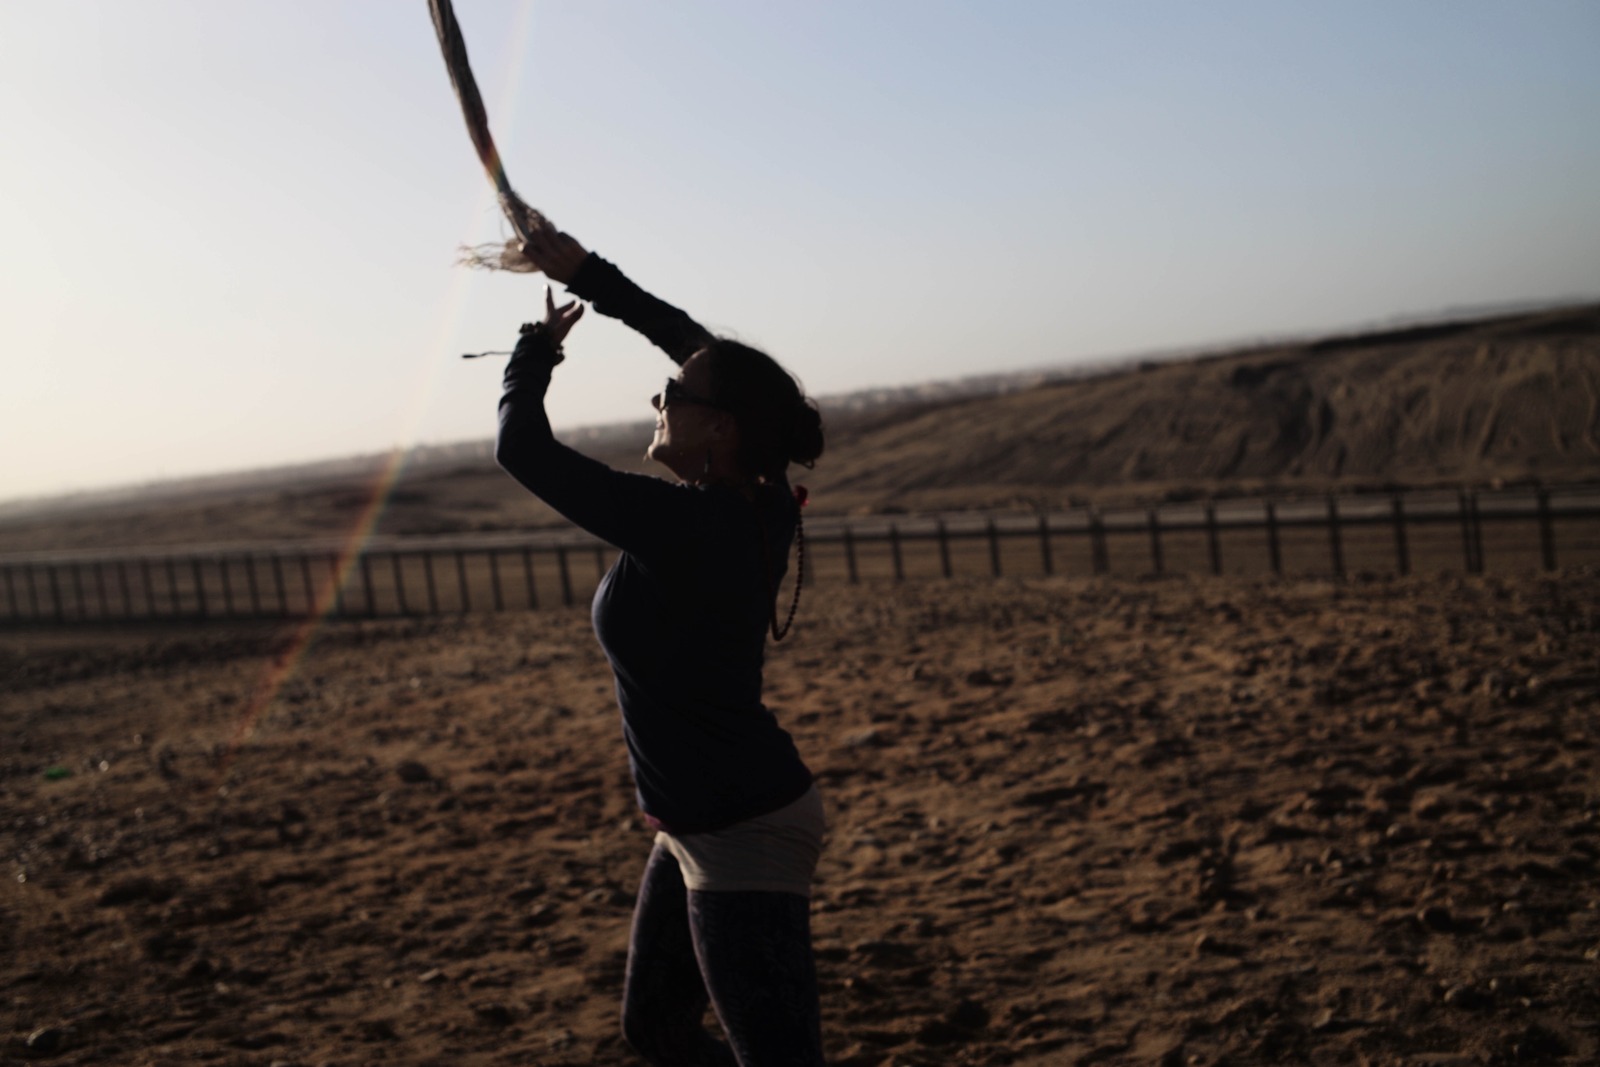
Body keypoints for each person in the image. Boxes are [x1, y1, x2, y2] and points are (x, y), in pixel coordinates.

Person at [495, 227, 827, 1067]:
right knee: (658, 1030)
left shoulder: (691, 524)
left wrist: (533, 354)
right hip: (696, 821)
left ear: (718, 428)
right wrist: (586, 275)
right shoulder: (753, 499)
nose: (658, 400)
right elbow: (690, 338)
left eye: (672, 392)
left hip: (741, 828)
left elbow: (521, 449)